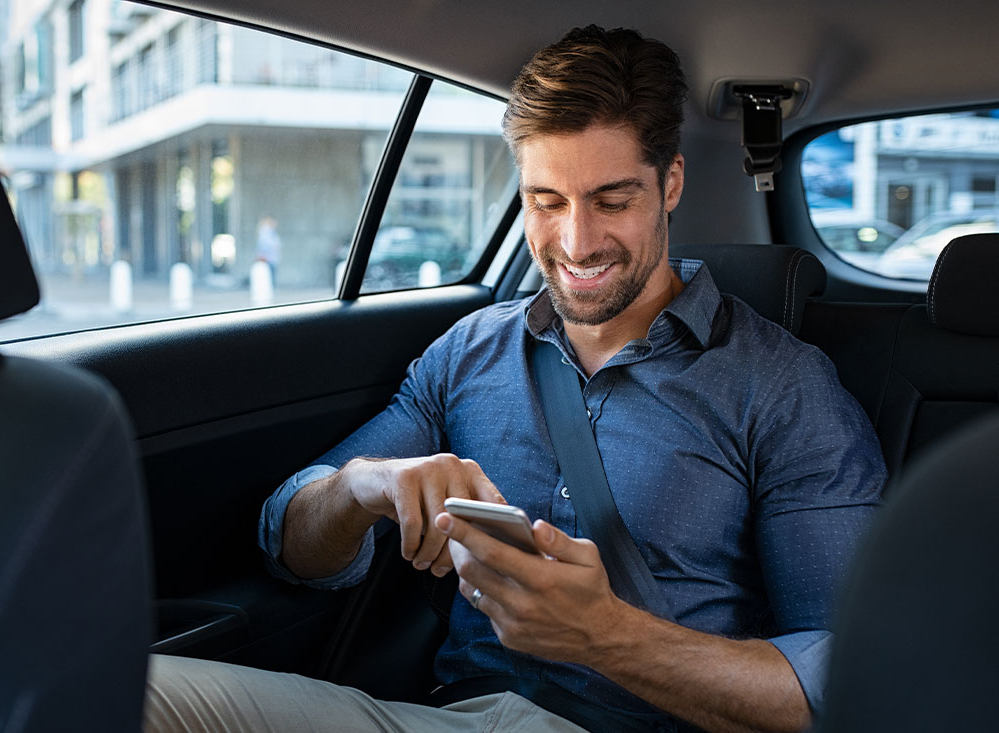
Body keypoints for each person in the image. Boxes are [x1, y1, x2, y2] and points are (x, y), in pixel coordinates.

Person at [145, 25, 885, 733]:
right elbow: (293, 547)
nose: (576, 241)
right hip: (445, 713)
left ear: (670, 185)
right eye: (547, 201)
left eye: (612, 199)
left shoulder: (784, 386)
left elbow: (845, 686)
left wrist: (605, 635)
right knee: (129, 687)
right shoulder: (470, 351)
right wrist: (362, 486)